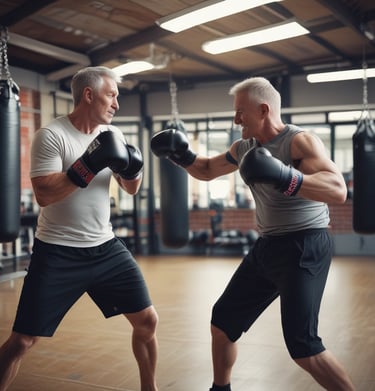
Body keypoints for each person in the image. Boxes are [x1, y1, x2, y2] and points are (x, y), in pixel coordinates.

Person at [150, 76, 356, 391]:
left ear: (262, 110)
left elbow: (338, 190)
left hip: (305, 246)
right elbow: (206, 170)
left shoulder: (299, 142)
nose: (235, 119)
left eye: (239, 112)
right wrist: (181, 155)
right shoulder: (244, 147)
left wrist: (286, 176)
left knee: (303, 346)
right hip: (268, 246)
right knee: (222, 324)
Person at [0, 66, 159, 391]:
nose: (116, 103)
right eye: (111, 95)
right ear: (89, 94)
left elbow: (130, 189)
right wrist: (87, 165)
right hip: (57, 251)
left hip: (106, 247)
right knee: (23, 341)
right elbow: (44, 194)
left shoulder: (113, 137)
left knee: (147, 321)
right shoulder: (52, 135)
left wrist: (133, 168)